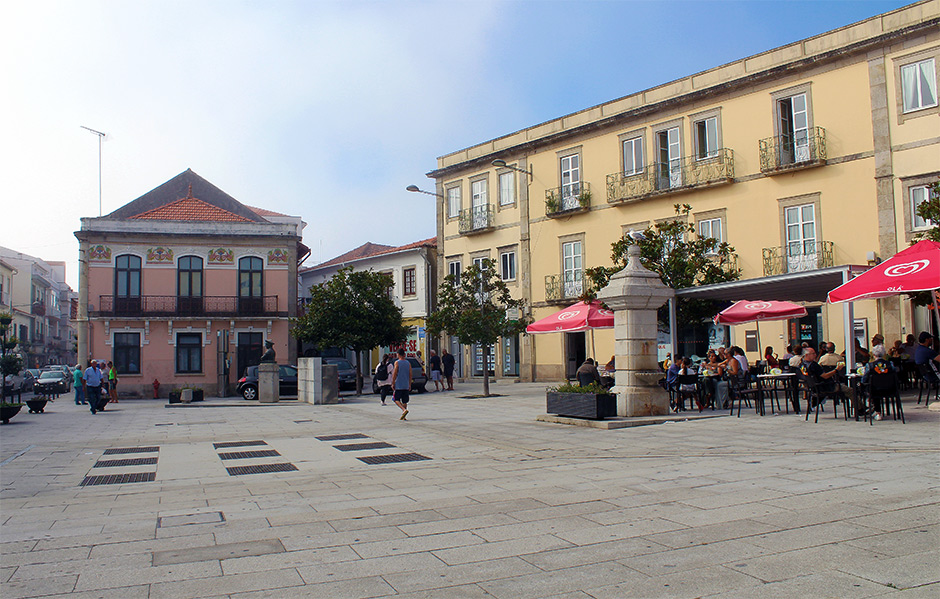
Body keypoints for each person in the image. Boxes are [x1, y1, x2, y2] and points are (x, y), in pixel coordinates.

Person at [862, 344, 895, 421]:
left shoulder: (870, 365)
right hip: (890, 389)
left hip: (875, 390)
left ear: (873, 355)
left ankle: (877, 412)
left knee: (872, 387)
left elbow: (865, 379)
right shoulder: (890, 364)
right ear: (883, 354)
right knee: (877, 386)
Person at [391, 348, 412, 420]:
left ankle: (403, 410)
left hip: (399, 384)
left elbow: (395, 373)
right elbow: (410, 374)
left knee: (396, 399)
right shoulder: (408, 363)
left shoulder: (397, 362)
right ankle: (404, 416)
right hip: (406, 384)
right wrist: (409, 384)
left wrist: (393, 383)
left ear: (398, 354)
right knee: (405, 400)